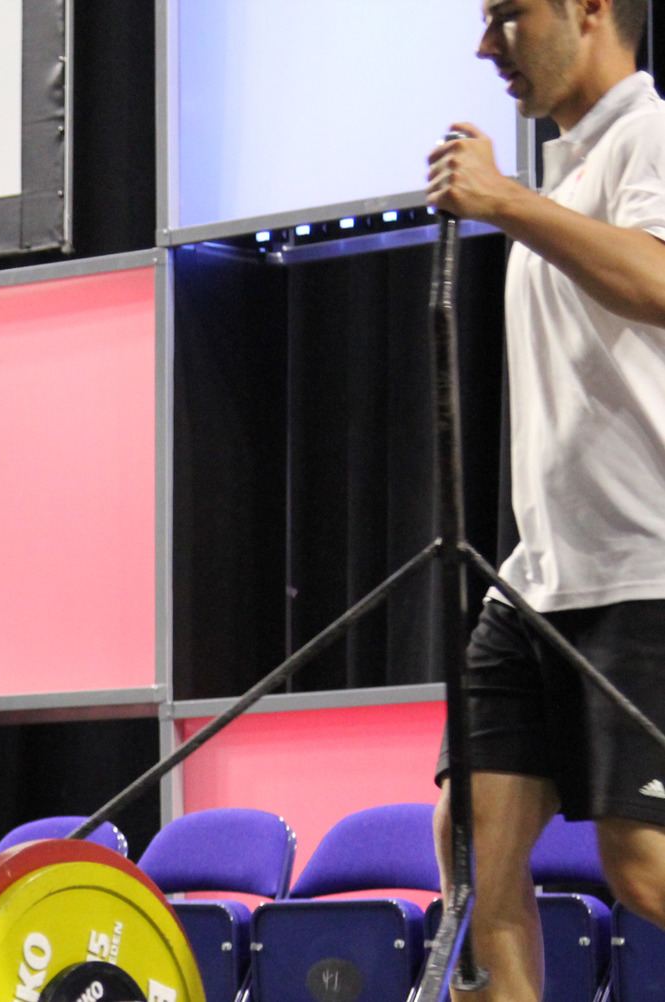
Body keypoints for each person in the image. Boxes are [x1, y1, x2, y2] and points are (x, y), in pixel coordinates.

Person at [428, 1, 665, 999]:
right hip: (534, 581)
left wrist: (507, 202)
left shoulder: (649, 135)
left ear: (590, 9)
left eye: (508, 16)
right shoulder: (568, 174)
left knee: (642, 867)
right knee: (474, 856)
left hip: (641, 570)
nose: (487, 46)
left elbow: (657, 278)